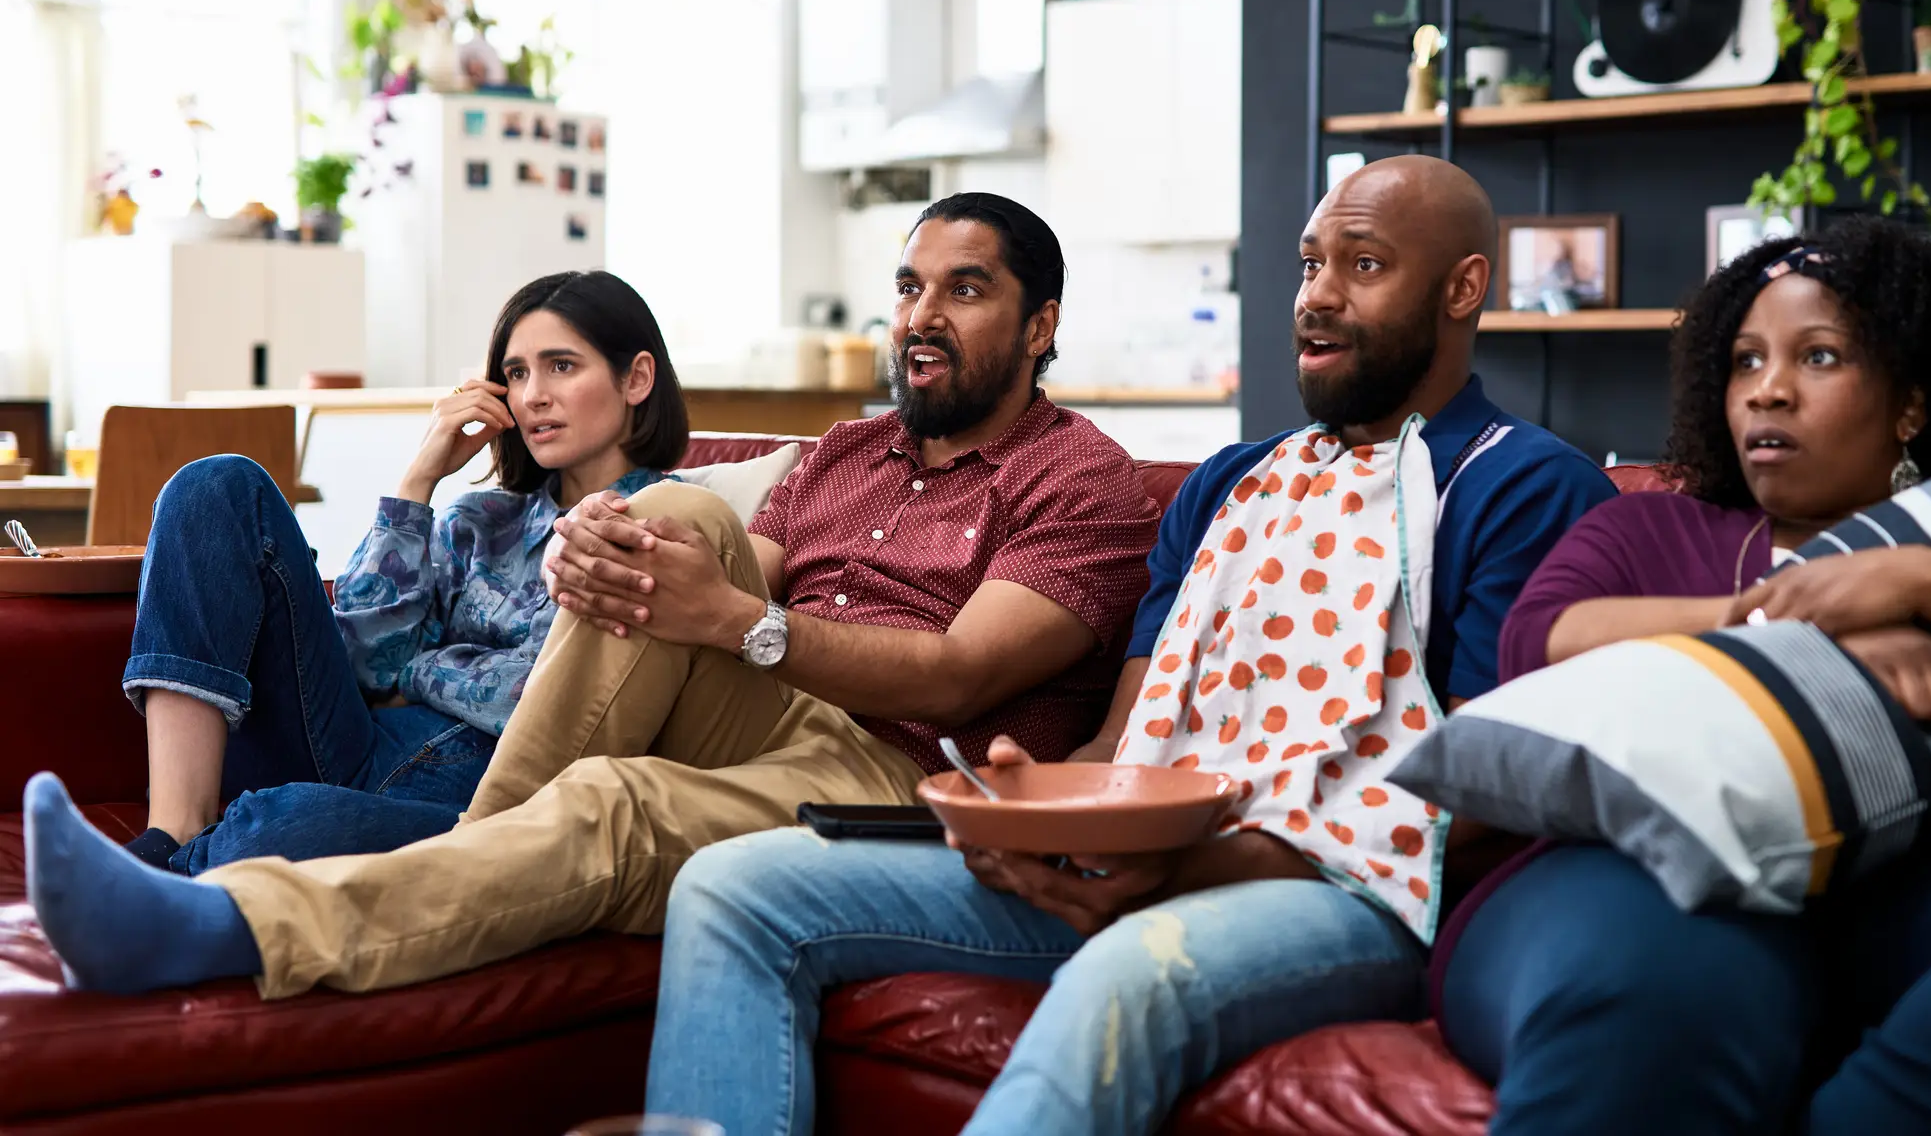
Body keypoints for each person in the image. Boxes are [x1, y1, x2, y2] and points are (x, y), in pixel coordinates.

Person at [640, 155, 1617, 1136]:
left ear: (1463, 287)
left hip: (1351, 891)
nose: (1317, 297)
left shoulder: (1525, 485)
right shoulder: (1232, 482)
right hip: (1148, 862)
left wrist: (1187, 871)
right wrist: (1048, 810)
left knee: (1126, 971)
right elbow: (1126, 743)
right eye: (1310, 264)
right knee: (734, 888)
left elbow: (1486, 796)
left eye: (1362, 266)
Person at [25, 192, 1162, 1000]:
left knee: (602, 792)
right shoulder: (843, 452)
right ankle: (268, 851)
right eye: (910, 287)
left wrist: (726, 615)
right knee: (671, 524)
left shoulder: (1083, 478)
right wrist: (626, 572)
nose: (921, 314)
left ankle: (414, 864)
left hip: (903, 763)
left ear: (1040, 323)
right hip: (761, 706)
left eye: (965, 291)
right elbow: (724, 578)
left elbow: (962, 674)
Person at [1439, 217, 1931, 1135]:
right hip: (1637, 878)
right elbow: (1539, 641)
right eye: (1745, 362)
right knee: (1663, 986)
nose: (1768, 392)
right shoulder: (1648, 531)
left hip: (1923, 891)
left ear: (1909, 401)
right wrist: (1798, 627)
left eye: (1819, 358)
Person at [120, 269, 687, 873]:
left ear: (636, 378)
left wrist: (417, 674)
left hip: (480, 800)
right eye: (517, 373)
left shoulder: (672, 524)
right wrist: (417, 483)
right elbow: (365, 666)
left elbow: (563, 708)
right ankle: (174, 835)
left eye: (562, 366)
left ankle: (200, 858)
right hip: (358, 746)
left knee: (272, 832)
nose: (532, 396)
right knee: (216, 485)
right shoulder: (478, 520)